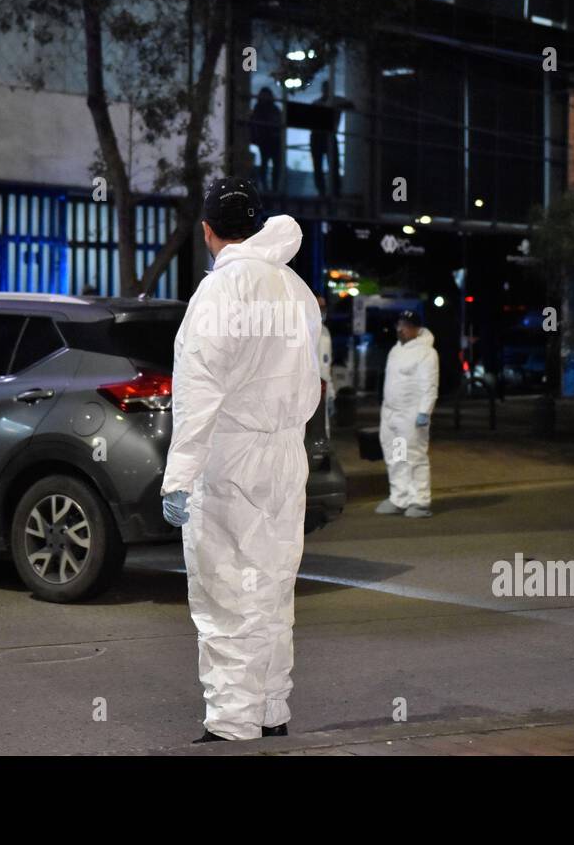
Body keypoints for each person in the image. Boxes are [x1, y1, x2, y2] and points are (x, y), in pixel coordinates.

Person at [161, 177, 321, 742]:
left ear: (207, 231)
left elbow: (199, 390)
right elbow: (313, 380)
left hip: (231, 459)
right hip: (284, 455)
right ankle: (271, 709)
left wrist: (178, 478)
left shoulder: (221, 291)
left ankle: (232, 723)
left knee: (226, 592)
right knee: (272, 587)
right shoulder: (295, 289)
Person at [376, 309, 438, 518]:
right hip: (392, 415)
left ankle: (420, 500)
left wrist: (424, 412)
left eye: (406, 325)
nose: (401, 329)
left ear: (417, 329)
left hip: (411, 416)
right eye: (399, 324)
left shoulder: (426, 352)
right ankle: (399, 497)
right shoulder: (396, 350)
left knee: (415, 457)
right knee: (397, 456)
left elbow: (429, 385)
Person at [248, 87, 283, 193]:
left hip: (270, 140)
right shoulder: (264, 108)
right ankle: (270, 188)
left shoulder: (268, 108)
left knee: (272, 165)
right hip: (267, 140)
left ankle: (272, 188)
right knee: (268, 164)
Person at [316, 294, 334, 434]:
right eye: (319, 307)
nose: (322, 310)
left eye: (324, 307)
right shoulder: (302, 331)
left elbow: (328, 363)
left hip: (324, 387)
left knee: (323, 431)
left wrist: (331, 392)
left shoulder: (326, 331)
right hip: (309, 389)